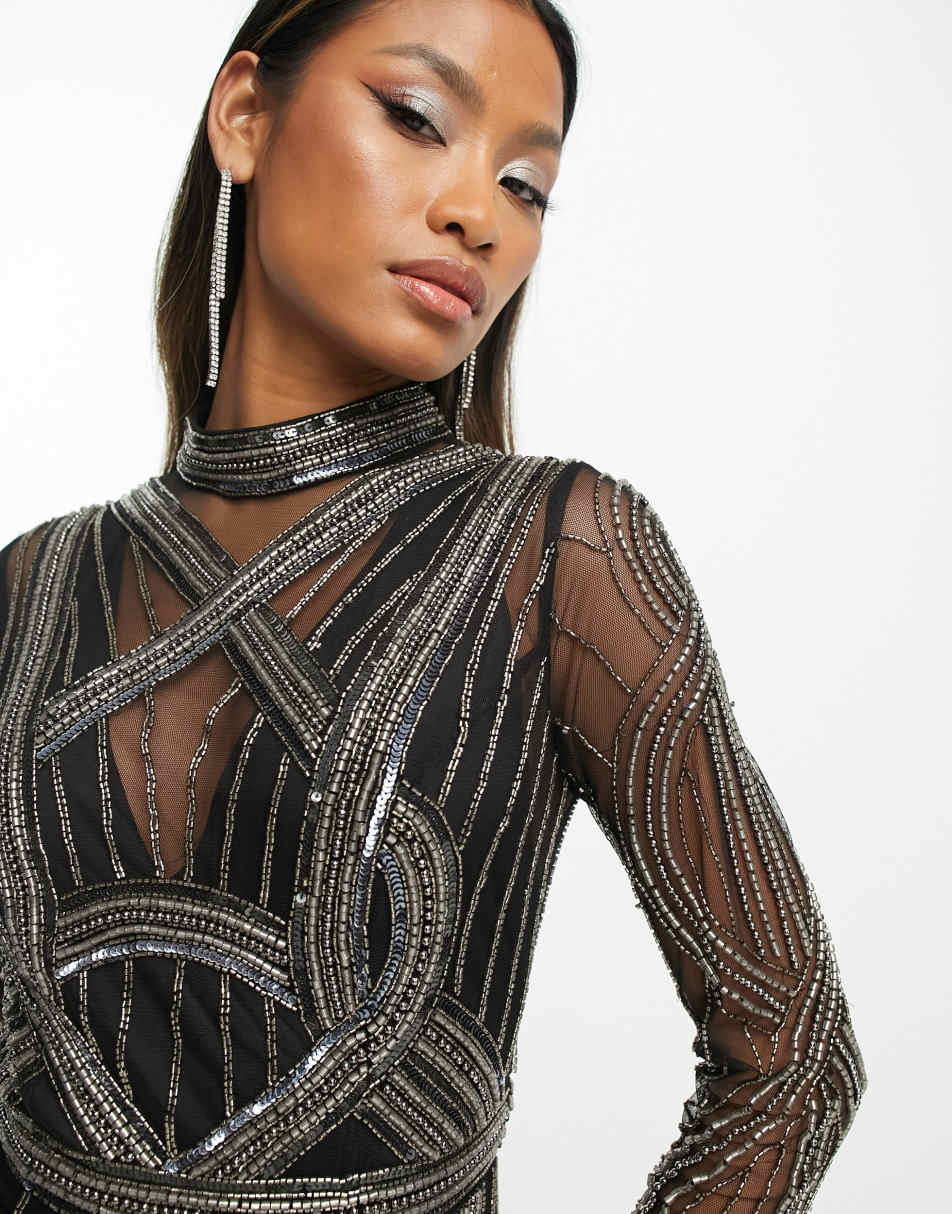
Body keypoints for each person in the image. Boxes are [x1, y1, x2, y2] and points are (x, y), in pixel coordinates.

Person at [0, 1, 867, 1210]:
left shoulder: (561, 554)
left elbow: (793, 1058)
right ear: (243, 115)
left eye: (524, 185)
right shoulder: (31, 583)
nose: (477, 214)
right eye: (415, 118)